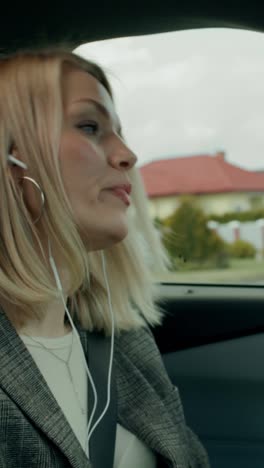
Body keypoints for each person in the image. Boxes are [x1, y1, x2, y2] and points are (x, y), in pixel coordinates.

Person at [0, 47, 210, 468]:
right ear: (10, 159)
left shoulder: (122, 339)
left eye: (120, 131)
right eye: (90, 126)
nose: (128, 155)